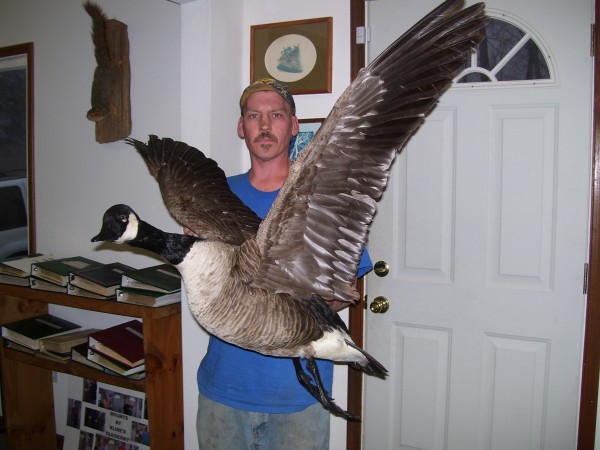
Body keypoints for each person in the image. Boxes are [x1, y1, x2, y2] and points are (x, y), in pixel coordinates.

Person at [195, 78, 373, 449]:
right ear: (241, 127)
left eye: (276, 115)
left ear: (293, 126)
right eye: (253, 115)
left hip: (297, 398)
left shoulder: (324, 203)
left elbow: (345, 293)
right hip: (223, 391)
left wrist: (283, 316)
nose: (264, 124)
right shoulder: (212, 198)